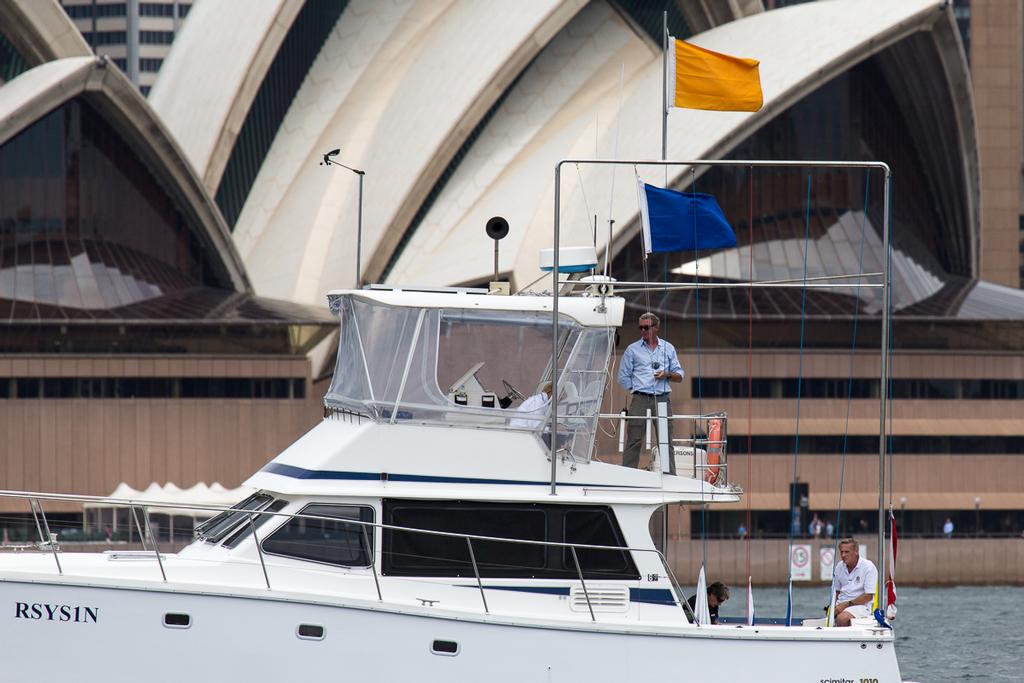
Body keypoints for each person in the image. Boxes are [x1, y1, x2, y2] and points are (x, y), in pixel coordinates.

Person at [617, 312, 683, 472]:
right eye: (640, 328)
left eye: (646, 327)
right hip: (640, 398)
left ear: (656, 327)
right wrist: (636, 388)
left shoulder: (668, 348)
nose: (642, 331)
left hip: (662, 398)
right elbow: (622, 376)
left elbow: (680, 375)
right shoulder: (632, 350)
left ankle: (670, 476)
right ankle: (628, 475)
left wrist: (666, 375)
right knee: (634, 440)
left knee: (665, 440)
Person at [831, 538, 878, 627]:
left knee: (841, 618)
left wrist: (846, 604)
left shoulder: (868, 567)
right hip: (841, 604)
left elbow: (869, 596)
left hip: (862, 606)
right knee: (828, 617)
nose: (843, 555)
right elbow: (836, 592)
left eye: (846, 552)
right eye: (841, 552)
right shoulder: (839, 566)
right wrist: (832, 607)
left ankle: (842, 639)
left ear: (856, 552)